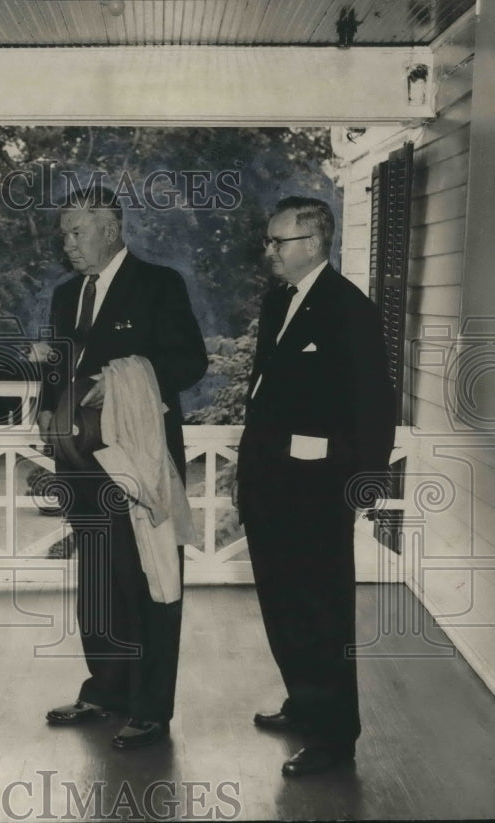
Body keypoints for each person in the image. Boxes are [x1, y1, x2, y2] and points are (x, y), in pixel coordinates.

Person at [38, 183, 208, 750]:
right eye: (64, 233)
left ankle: (151, 707)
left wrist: (116, 382)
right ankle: (105, 689)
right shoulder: (66, 295)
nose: (67, 243)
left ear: (110, 228)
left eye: (76, 231)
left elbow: (189, 363)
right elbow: (58, 364)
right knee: (97, 582)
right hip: (81, 465)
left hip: (138, 461)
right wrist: (45, 408)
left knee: (150, 580)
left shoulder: (159, 284)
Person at [236, 196, 395, 777]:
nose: (269, 251)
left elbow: (375, 403)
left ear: (314, 243)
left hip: (318, 491)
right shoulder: (280, 299)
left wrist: (357, 482)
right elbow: (265, 393)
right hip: (270, 484)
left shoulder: (348, 309)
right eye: (269, 240)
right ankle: (305, 703)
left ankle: (332, 738)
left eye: (279, 242)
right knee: (283, 605)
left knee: (321, 613)